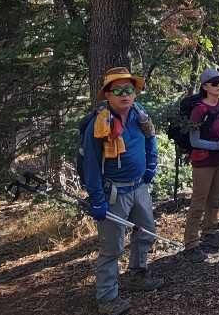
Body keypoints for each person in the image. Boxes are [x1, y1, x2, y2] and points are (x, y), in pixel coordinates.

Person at [79, 67, 164, 315]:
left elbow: (151, 139)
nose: (124, 94)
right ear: (108, 95)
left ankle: (137, 274)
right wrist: (97, 199)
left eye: (128, 89)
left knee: (146, 231)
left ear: (135, 93)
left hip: (139, 187)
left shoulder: (140, 114)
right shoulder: (99, 123)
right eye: (117, 91)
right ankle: (107, 298)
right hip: (113, 193)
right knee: (112, 247)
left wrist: (151, 166)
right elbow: (91, 163)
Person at [182, 68, 219, 261]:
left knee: (215, 198)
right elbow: (194, 140)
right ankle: (191, 243)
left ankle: (210, 231)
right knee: (199, 201)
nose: (218, 86)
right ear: (205, 86)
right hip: (204, 162)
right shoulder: (199, 110)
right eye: (214, 83)